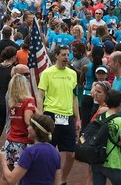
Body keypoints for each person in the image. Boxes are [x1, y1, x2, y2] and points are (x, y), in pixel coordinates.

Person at [37, 45, 80, 184]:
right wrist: (40, 114)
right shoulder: (47, 73)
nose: (66, 57)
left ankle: (63, 180)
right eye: (63, 55)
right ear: (56, 56)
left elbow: (74, 97)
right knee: (48, 151)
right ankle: (47, 178)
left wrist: (78, 118)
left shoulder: (72, 74)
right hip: (51, 115)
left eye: (68, 55)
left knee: (72, 154)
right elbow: (40, 95)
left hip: (68, 117)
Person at [0, 114, 62, 185]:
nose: (28, 128)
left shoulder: (30, 152)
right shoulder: (55, 152)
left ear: (36, 130)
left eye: (30, 125)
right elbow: (57, 182)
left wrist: (3, 161)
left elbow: (11, 179)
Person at [87, 89, 121, 185]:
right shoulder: (120, 121)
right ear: (120, 104)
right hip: (112, 161)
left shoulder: (100, 116)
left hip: (97, 159)